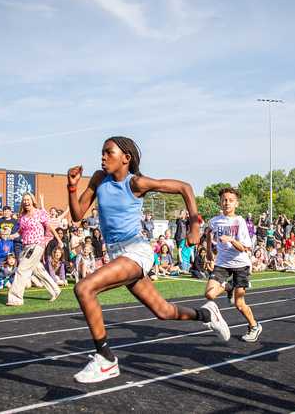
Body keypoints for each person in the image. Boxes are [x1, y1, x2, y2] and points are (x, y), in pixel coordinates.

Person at [66, 136, 230, 384]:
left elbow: (185, 187)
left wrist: (195, 225)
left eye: (108, 152)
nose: (102, 157)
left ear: (126, 158)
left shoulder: (136, 183)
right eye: (101, 152)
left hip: (136, 252)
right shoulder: (99, 179)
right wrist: (72, 187)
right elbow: (78, 215)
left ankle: (106, 359)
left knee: (84, 288)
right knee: (163, 312)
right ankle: (207, 315)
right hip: (117, 254)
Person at [205, 187, 262, 341]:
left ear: (236, 203)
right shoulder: (214, 221)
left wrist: (231, 239)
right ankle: (229, 287)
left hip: (241, 265)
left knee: (239, 303)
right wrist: (209, 252)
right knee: (209, 294)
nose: (227, 203)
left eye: (230, 200)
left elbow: (245, 248)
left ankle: (254, 326)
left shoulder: (240, 221)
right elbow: (208, 232)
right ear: (220, 202)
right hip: (222, 263)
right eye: (224, 200)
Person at [6, 193, 62, 306]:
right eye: (24, 200)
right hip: (26, 246)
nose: (26, 202)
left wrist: (58, 240)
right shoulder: (22, 216)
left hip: (37, 245)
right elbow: (20, 232)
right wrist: (10, 236)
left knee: (21, 270)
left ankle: (16, 298)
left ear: (32, 201)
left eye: (28, 199)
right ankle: (55, 289)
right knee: (38, 270)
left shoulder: (40, 213)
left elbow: (49, 227)